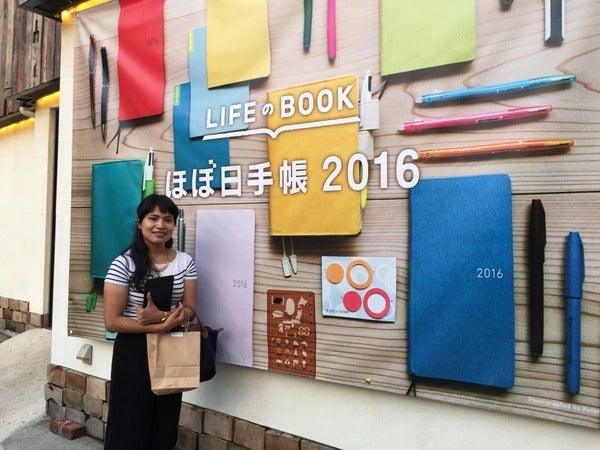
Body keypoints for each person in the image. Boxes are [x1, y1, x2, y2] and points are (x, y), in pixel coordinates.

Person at [103, 194, 197, 450]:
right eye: (153, 218)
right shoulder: (124, 264)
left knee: (164, 425)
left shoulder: (185, 262)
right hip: (134, 351)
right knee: (128, 424)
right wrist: (161, 325)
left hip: (171, 349)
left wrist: (162, 318)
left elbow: (190, 310)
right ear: (140, 223)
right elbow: (112, 321)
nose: (160, 225)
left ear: (174, 224)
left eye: (167, 219)